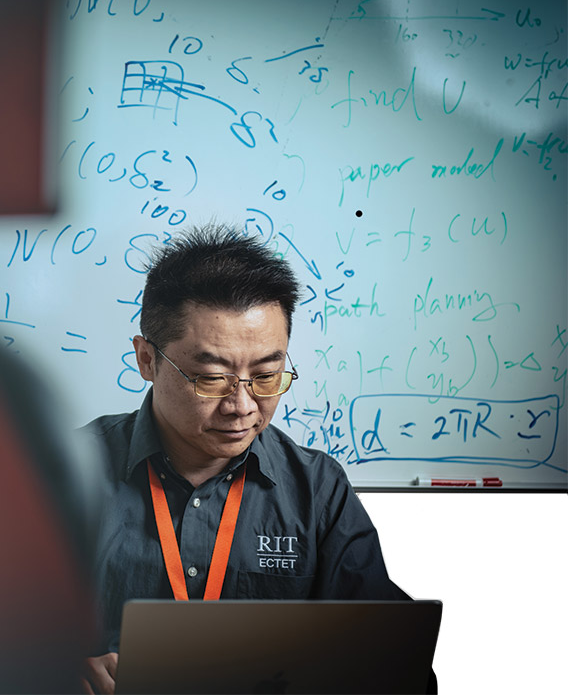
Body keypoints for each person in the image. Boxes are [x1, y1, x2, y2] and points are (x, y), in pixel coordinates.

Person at [80, 224, 410, 695]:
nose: (242, 405)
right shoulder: (60, 474)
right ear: (146, 359)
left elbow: (391, 659)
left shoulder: (317, 490)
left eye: (267, 375)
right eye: (211, 378)